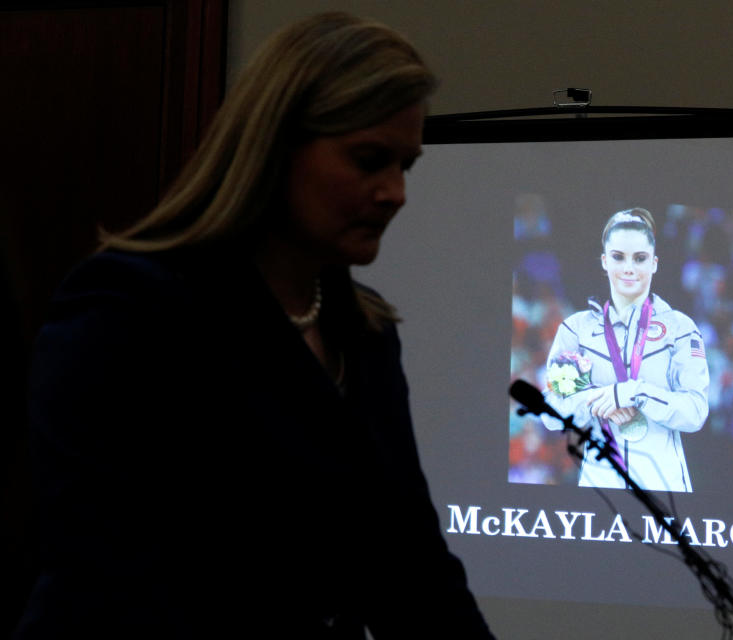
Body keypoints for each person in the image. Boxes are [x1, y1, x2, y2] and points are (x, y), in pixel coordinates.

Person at [15, 12, 493, 639]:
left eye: (406, 166)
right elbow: (107, 570)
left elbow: (411, 568)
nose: (395, 192)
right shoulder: (129, 309)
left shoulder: (365, 333)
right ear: (277, 144)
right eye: (370, 160)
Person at [541, 208, 709, 492]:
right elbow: (549, 413)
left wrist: (634, 392)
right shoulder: (576, 329)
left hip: (665, 489)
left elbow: (695, 413)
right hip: (600, 487)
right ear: (605, 261)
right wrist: (599, 398)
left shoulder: (681, 327)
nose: (629, 268)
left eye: (640, 258)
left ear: (654, 263)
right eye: (619, 257)